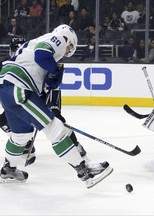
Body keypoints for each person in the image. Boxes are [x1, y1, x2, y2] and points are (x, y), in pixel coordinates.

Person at [0, 24, 113, 188]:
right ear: (68, 39)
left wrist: (52, 77)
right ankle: (85, 171)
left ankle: (8, 170)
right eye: (70, 49)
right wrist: (54, 69)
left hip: (7, 89)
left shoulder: (31, 48)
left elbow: (45, 78)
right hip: (20, 89)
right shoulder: (58, 38)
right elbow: (42, 55)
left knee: (21, 136)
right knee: (55, 128)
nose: (67, 53)